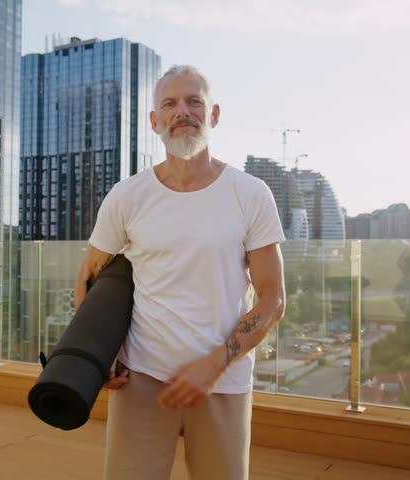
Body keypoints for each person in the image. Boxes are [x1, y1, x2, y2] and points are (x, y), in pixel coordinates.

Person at [74, 65, 286, 480]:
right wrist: (98, 357)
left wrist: (213, 365)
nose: (182, 111)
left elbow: (272, 298)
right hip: (141, 378)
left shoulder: (250, 194)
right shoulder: (127, 196)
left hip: (223, 380)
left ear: (215, 114)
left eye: (194, 101)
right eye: (169, 103)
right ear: (154, 121)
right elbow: (88, 274)